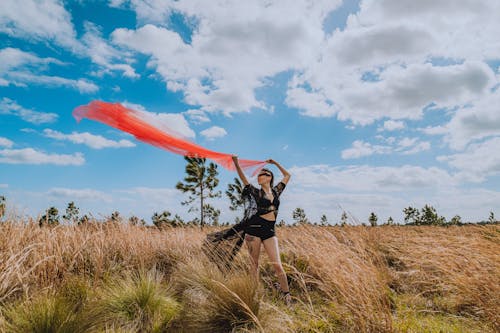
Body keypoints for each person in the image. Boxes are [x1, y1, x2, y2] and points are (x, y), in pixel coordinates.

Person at [231, 155, 292, 305]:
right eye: (258, 175)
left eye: (262, 174)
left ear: (269, 177)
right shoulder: (256, 192)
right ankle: (254, 297)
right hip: (254, 230)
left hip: (270, 231)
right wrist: (236, 163)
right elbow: (243, 178)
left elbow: (287, 175)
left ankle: (287, 297)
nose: (259, 176)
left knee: (277, 265)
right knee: (254, 265)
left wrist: (275, 162)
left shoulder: (277, 191)